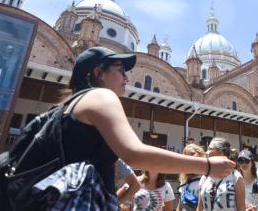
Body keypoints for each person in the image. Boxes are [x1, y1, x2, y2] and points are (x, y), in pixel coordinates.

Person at [59, 46, 235, 202]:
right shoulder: (100, 96)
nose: (126, 78)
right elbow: (134, 154)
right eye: (120, 70)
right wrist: (207, 166)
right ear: (98, 74)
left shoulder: (67, 107)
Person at [197, 137, 245, 211]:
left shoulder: (235, 177)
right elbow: (199, 208)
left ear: (220, 152)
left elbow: (241, 209)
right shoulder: (205, 177)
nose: (206, 152)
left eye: (210, 149)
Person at [178, 144, 206, 211]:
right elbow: (180, 206)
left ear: (200, 154)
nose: (190, 157)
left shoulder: (208, 177)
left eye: (192, 154)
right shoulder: (185, 180)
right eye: (187, 156)